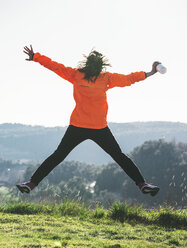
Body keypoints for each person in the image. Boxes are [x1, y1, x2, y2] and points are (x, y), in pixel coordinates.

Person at [16, 45, 160, 196]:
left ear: (86, 64)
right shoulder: (106, 78)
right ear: (100, 65)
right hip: (99, 128)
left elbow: (55, 66)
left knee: (58, 156)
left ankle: (31, 184)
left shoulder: (76, 75)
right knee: (119, 156)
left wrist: (35, 57)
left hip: (77, 126)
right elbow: (129, 79)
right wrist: (151, 72)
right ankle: (142, 184)